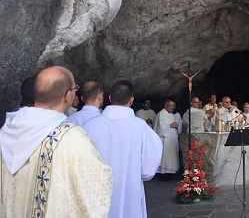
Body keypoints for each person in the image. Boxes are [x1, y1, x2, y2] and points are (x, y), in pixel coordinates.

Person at [0, 66, 113, 217]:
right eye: (75, 88)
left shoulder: (6, 130)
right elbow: (97, 185)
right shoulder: (72, 138)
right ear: (68, 95)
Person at [83, 80, 162, 218]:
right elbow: (149, 168)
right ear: (131, 100)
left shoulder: (89, 126)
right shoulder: (141, 128)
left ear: (109, 98)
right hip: (130, 191)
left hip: (96, 192)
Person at [154, 99, 181, 181]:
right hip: (165, 140)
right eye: (170, 106)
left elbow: (176, 125)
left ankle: (170, 174)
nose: (172, 108)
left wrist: (176, 126)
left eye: (173, 106)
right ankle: (163, 175)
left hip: (172, 139)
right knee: (165, 157)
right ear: (165, 105)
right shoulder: (161, 114)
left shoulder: (172, 115)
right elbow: (160, 127)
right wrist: (170, 126)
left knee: (172, 157)